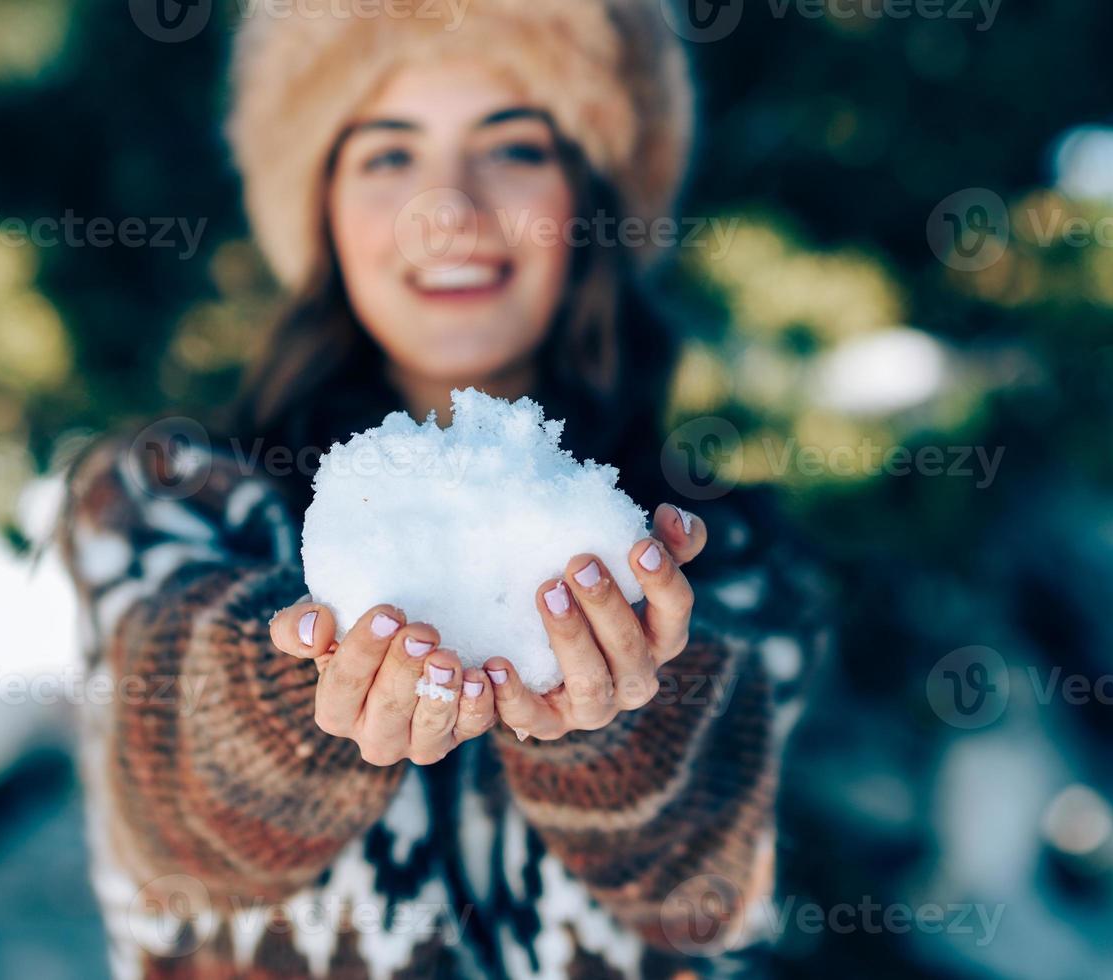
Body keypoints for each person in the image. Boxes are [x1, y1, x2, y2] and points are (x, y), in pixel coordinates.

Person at [59, 1, 826, 976]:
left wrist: (626, 726)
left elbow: (708, 895)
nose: (448, 209)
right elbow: (164, 808)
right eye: (387, 156)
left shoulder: (724, 555)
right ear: (321, 206)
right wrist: (294, 687)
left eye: (511, 149)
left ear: (589, 194)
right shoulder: (170, 499)